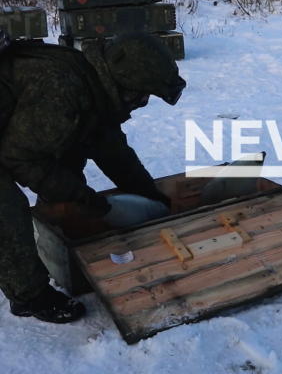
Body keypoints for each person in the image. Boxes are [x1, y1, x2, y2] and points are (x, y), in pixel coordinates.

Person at [0, 31, 186, 324]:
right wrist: (78, 195)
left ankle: (58, 233)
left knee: (69, 155)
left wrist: (151, 198)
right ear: (127, 85)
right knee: (5, 206)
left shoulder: (93, 86)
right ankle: (29, 296)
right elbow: (19, 157)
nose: (142, 102)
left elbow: (112, 150)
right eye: (143, 96)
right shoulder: (63, 88)